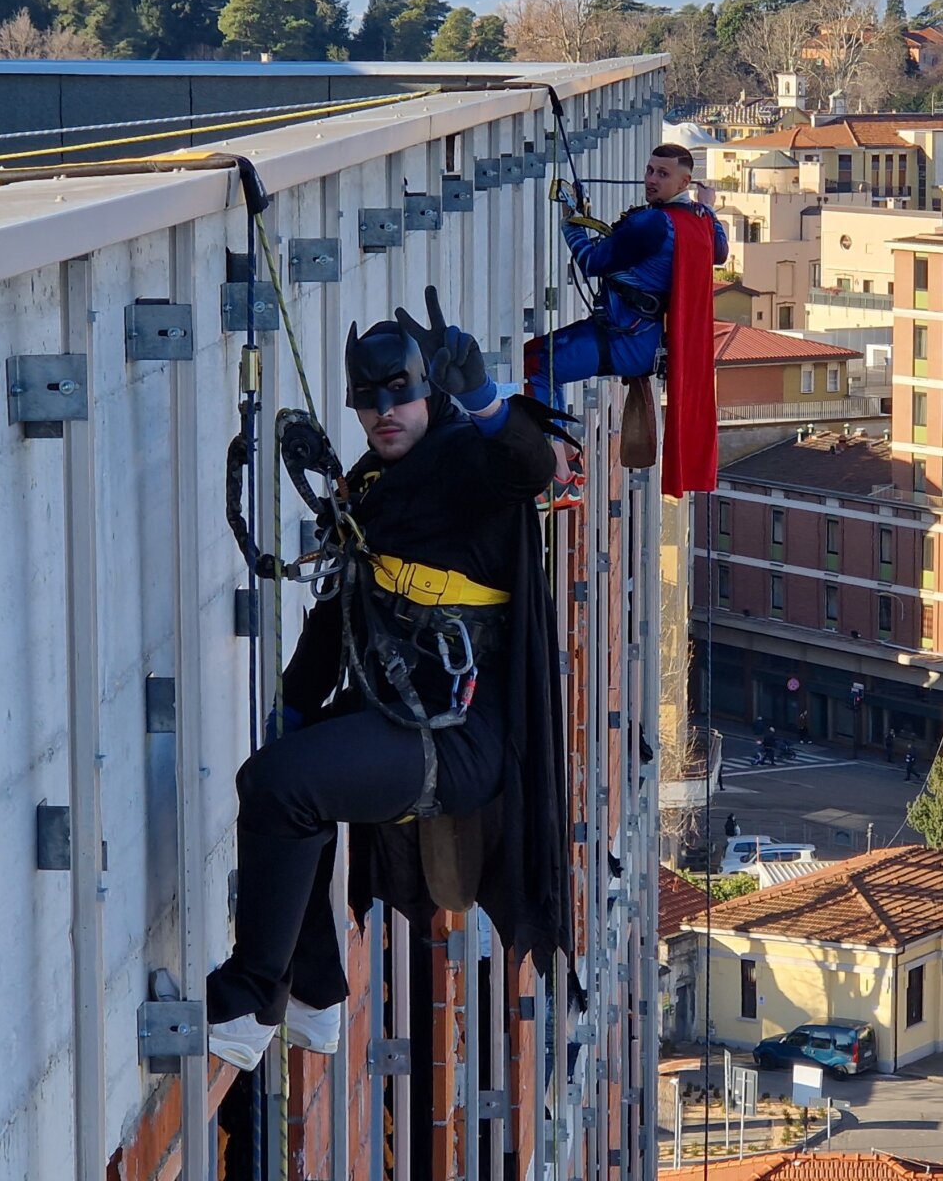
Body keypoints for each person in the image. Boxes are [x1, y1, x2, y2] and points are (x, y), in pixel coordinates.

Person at [205, 291, 570, 1071]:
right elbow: (340, 608)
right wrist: (298, 708)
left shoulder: (465, 459)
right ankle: (314, 994)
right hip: (405, 709)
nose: (384, 412)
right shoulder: (371, 486)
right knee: (274, 782)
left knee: (282, 788)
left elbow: (530, 466)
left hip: (457, 737)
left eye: (399, 393)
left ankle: (251, 999)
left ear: (425, 390)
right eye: (367, 402)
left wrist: (484, 398)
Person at [525, 143, 729, 503]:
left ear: (684, 181)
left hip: (624, 337)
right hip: (642, 341)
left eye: (662, 174)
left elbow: (590, 260)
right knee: (545, 362)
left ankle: (557, 476)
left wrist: (569, 218)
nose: (651, 180)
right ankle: (565, 456)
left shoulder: (654, 223)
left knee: (538, 365)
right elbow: (720, 251)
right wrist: (709, 207)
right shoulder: (698, 221)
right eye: (650, 170)